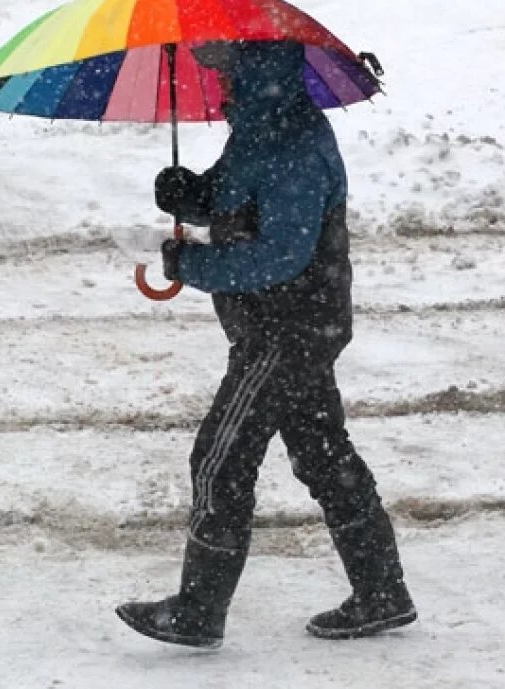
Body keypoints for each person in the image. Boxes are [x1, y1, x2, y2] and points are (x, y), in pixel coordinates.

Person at [115, 40, 416, 648]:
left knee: (221, 458)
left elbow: (280, 254)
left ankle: (199, 612)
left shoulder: (298, 147)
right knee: (324, 455)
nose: (220, 88)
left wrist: (192, 265)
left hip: (289, 329)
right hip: (285, 326)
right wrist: (189, 194)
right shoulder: (261, 133)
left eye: (227, 76)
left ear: (259, 79)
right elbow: (233, 196)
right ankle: (383, 594)